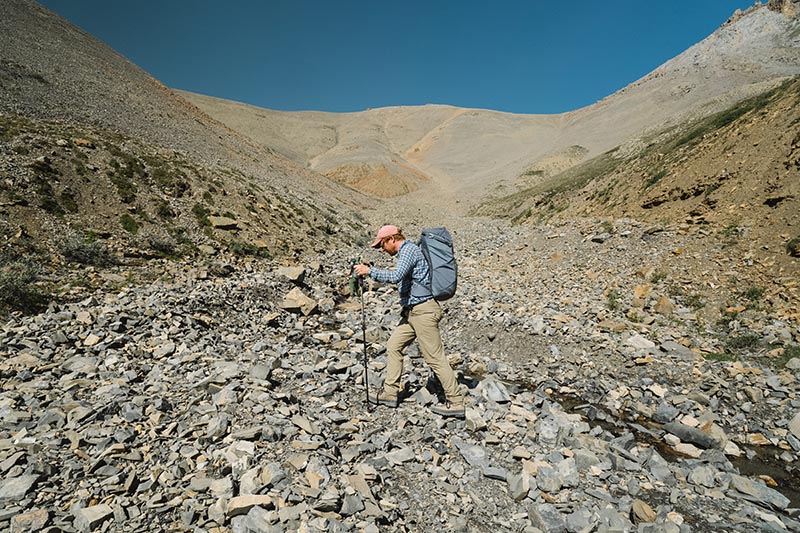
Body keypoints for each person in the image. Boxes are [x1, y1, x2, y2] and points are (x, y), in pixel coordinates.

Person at [354, 225, 465, 419]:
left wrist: (369, 271)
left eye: (382, 245)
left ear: (392, 239)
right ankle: (390, 392)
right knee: (393, 346)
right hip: (412, 313)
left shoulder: (409, 250)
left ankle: (455, 401)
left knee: (434, 358)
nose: (381, 249)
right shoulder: (406, 252)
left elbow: (395, 277)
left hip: (423, 312)